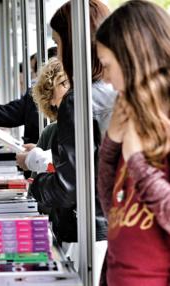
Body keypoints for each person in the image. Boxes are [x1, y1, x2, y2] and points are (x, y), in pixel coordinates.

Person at [28, 1, 115, 285]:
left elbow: (68, 188)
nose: (58, 52)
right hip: (117, 230)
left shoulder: (79, 100)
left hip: (85, 234)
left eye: (58, 42)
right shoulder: (117, 91)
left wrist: (35, 184)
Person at [96, 1, 170, 284]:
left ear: (133, 59)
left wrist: (139, 162)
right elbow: (112, 209)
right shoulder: (134, 119)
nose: (109, 81)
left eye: (108, 66)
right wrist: (111, 146)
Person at [16, 57, 69, 174]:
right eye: (64, 82)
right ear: (50, 97)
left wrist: (35, 158)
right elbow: (35, 185)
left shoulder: (89, 128)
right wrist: (35, 158)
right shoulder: (49, 132)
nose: (70, 88)